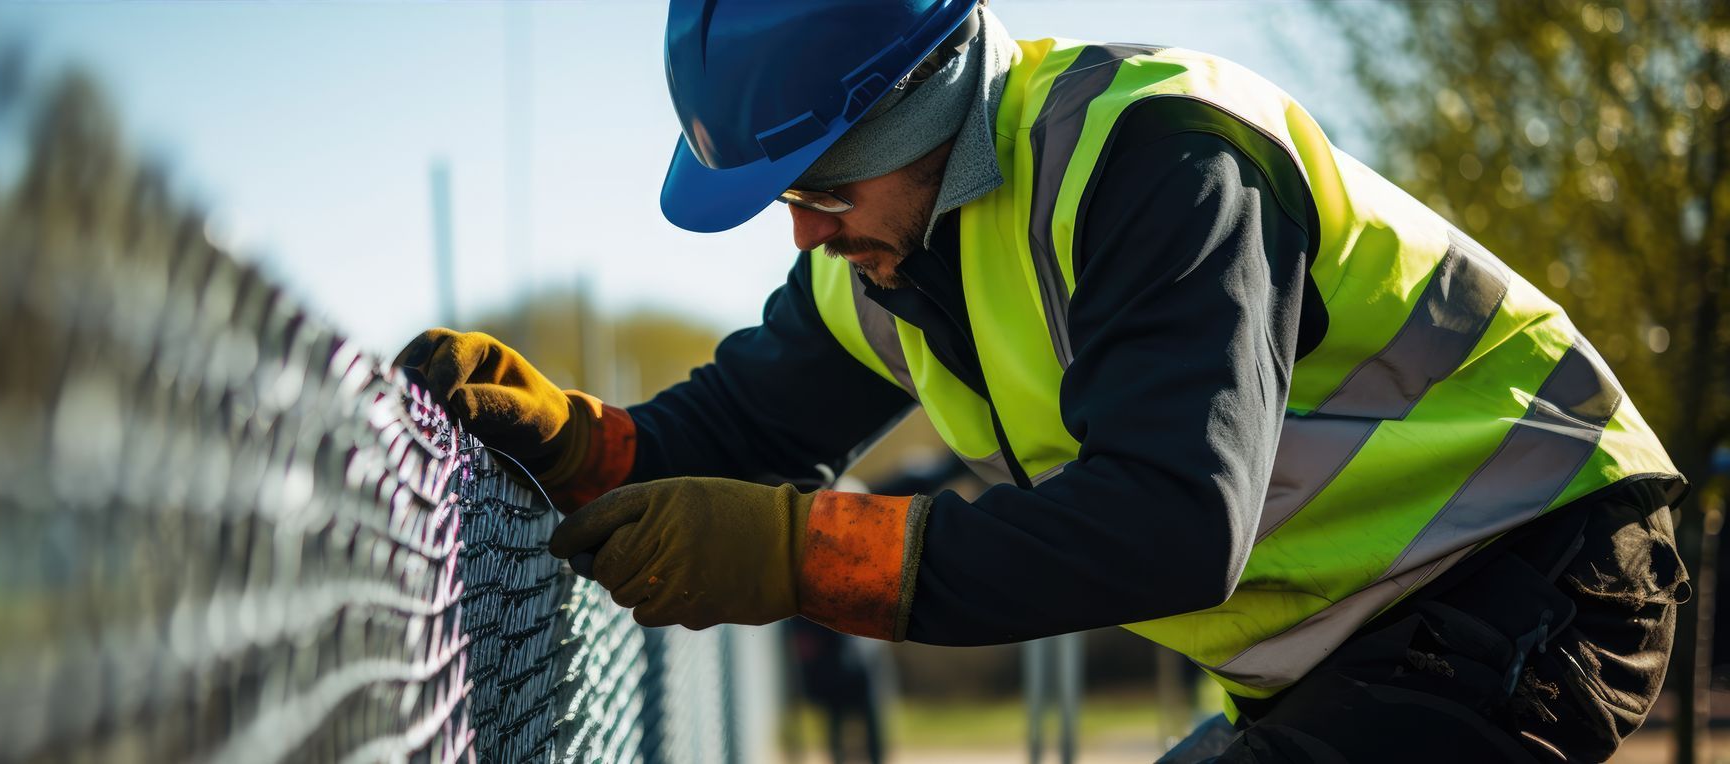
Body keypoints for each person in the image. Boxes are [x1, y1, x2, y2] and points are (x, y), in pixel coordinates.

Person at [400, 2, 1689, 760]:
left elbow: (1173, 524)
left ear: (916, 108)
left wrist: (802, 558)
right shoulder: (879, 252)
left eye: (817, 185)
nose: (803, 230)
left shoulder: (1160, 158)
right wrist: (579, 442)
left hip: (1534, 566)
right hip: (1360, 643)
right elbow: (743, 425)